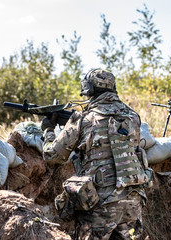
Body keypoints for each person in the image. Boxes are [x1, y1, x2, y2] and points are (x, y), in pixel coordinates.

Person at [41, 69, 151, 239]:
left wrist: (48, 130)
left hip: (100, 204)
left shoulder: (84, 120)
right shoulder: (133, 117)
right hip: (133, 200)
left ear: (89, 90)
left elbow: (52, 155)